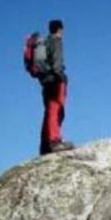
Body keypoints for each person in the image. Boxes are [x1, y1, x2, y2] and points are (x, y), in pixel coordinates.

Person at [39, 19, 73, 155]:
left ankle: (45, 145)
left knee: (49, 111)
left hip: (45, 82)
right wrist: (61, 77)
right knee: (56, 110)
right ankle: (54, 141)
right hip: (55, 81)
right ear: (60, 29)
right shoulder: (56, 42)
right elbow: (57, 64)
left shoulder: (45, 42)